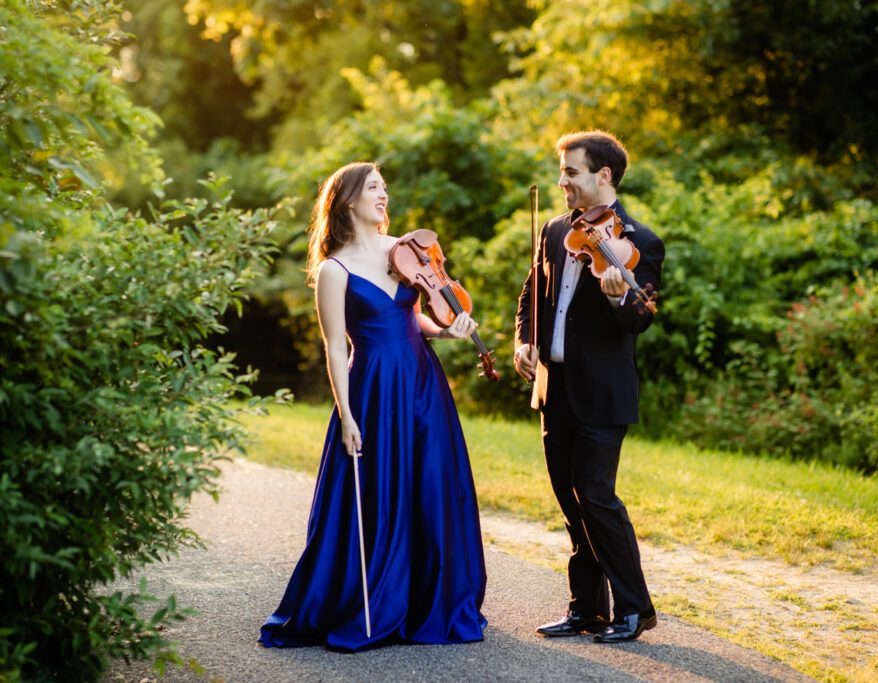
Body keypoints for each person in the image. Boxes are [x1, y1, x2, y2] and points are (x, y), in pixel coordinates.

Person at [259, 161, 488, 652]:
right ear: (346, 201)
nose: (383, 195)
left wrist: (446, 329)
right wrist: (345, 414)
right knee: (379, 491)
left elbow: (415, 316)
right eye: (372, 188)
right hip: (373, 389)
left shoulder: (404, 250)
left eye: (385, 187)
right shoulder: (333, 270)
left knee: (429, 483)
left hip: (422, 381)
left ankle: (431, 600)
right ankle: (374, 600)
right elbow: (336, 348)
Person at [513, 131, 664, 643]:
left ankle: (635, 608)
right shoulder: (556, 231)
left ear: (604, 176)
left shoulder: (640, 241)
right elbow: (532, 291)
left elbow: (641, 319)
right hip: (553, 390)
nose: (562, 182)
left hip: (602, 393)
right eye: (561, 172)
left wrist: (619, 298)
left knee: (596, 497)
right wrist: (524, 340)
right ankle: (587, 609)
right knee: (570, 503)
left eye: (571, 172)